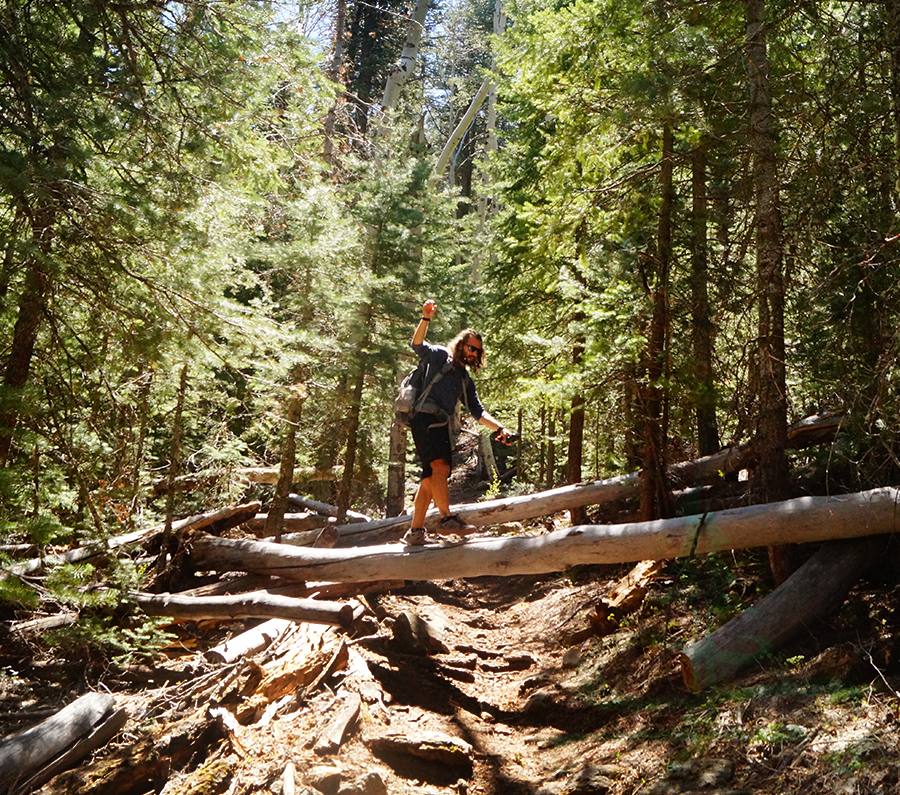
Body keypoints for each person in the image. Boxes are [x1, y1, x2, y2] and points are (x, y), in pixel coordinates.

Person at [403, 298, 512, 546]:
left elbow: (478, 411)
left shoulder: (464, 379)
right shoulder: (440, 356)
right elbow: (417, 344)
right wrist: (426, 318)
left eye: (478, 351)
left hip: (440, 426)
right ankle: (446, 519)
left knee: (430, 478)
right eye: (471, 348)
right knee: (440, 468)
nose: (474, 353)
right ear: (461, 344)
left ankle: (415, 532)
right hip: (424, 418)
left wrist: (501, 429)